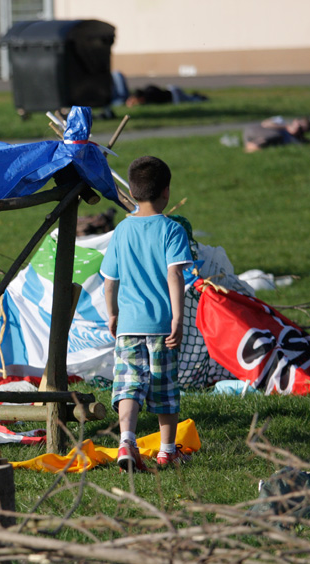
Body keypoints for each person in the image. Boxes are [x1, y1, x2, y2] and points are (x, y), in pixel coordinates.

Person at [100, 156, 193, 471]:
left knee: (128, 384)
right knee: (164, 386)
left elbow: (109, 282)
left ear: (134, 190)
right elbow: (175, 276)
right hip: (160, 326)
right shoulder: (172, 229)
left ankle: (127, 440)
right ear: (166, 191)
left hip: (127, 325)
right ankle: (167, 449)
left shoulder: (121, 231)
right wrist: (177, 319)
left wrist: (112, 315)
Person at [243, 116, 310, 153]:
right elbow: (265, 124)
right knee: (278, 135)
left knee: (278, 137)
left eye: (300, 128)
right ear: (295, 120)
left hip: (260, 140)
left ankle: (253, 146)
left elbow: (307, 143)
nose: (297, 126)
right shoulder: (280, 120)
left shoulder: (294, 140)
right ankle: (252, 145)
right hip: (253, 131)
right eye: (299, 123)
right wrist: (285, 127)